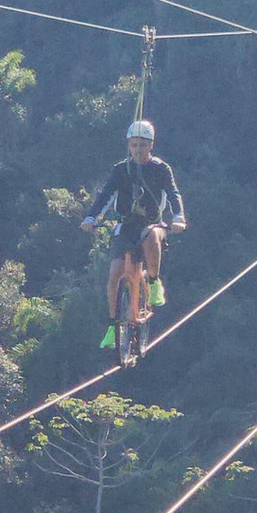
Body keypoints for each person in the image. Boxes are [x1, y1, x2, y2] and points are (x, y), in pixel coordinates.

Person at [80, 120, 187, 347]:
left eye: (142, 145)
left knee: (151, 236)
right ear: (129, 145)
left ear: (151, 145)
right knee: (115, 273)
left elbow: (173, 193)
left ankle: (154, 282)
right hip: (126, 225)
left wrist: (178, 218)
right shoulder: (121, 170)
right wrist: (91, 218)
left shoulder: (161, 169)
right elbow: (105, 195)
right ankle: (113, 326)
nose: (138, 150)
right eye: (134, 145)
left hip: (153, 224)